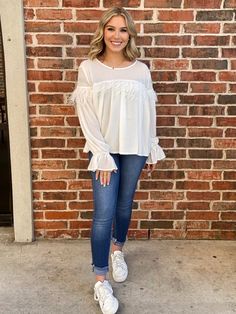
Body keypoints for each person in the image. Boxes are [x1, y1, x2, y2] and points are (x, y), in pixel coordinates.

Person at [71, 7, 165, 314]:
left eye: (123, 30)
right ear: (103, 32)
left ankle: (117, 250)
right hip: (104, 149)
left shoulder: (141, 70)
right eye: (111, 29)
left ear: (130, 34)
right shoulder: (89, 68)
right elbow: (86, 115)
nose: (116, 35)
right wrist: (101, 154)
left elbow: (149, 111)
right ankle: (101, 280)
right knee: (104, 212)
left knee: (125, 204)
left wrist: (151, 146)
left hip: (135, 146)